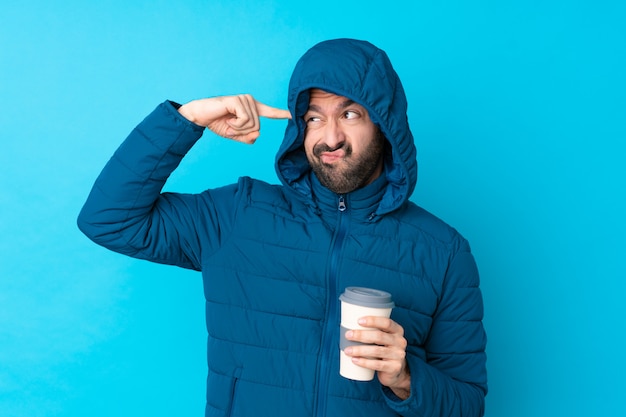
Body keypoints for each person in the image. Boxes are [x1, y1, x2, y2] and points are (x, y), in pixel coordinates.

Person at [78, 38, 487, 417]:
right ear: (299, 129)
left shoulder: (443, 251)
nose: (330, 137)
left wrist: (406, 379)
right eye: (314, 117)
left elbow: (468, 403)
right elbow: (108, 218)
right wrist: (190, 119)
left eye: (349, 113)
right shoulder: (238, 215)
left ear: (384, 124)